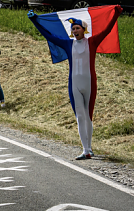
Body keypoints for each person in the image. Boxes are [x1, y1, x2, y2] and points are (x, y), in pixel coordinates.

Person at [28, 9, 120, 160]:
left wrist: (115, 15)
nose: (75, 30)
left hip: (90, 83)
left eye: (77, 28)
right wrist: (35, 21)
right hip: (74, 84)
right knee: (80, 117)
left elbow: (107, 30)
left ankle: (89, 149)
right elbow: (48, 36)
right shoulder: (67, 43)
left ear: (84, 30)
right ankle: (86, 150)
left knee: (88, 116)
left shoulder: (92, 42)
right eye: (73, 29)